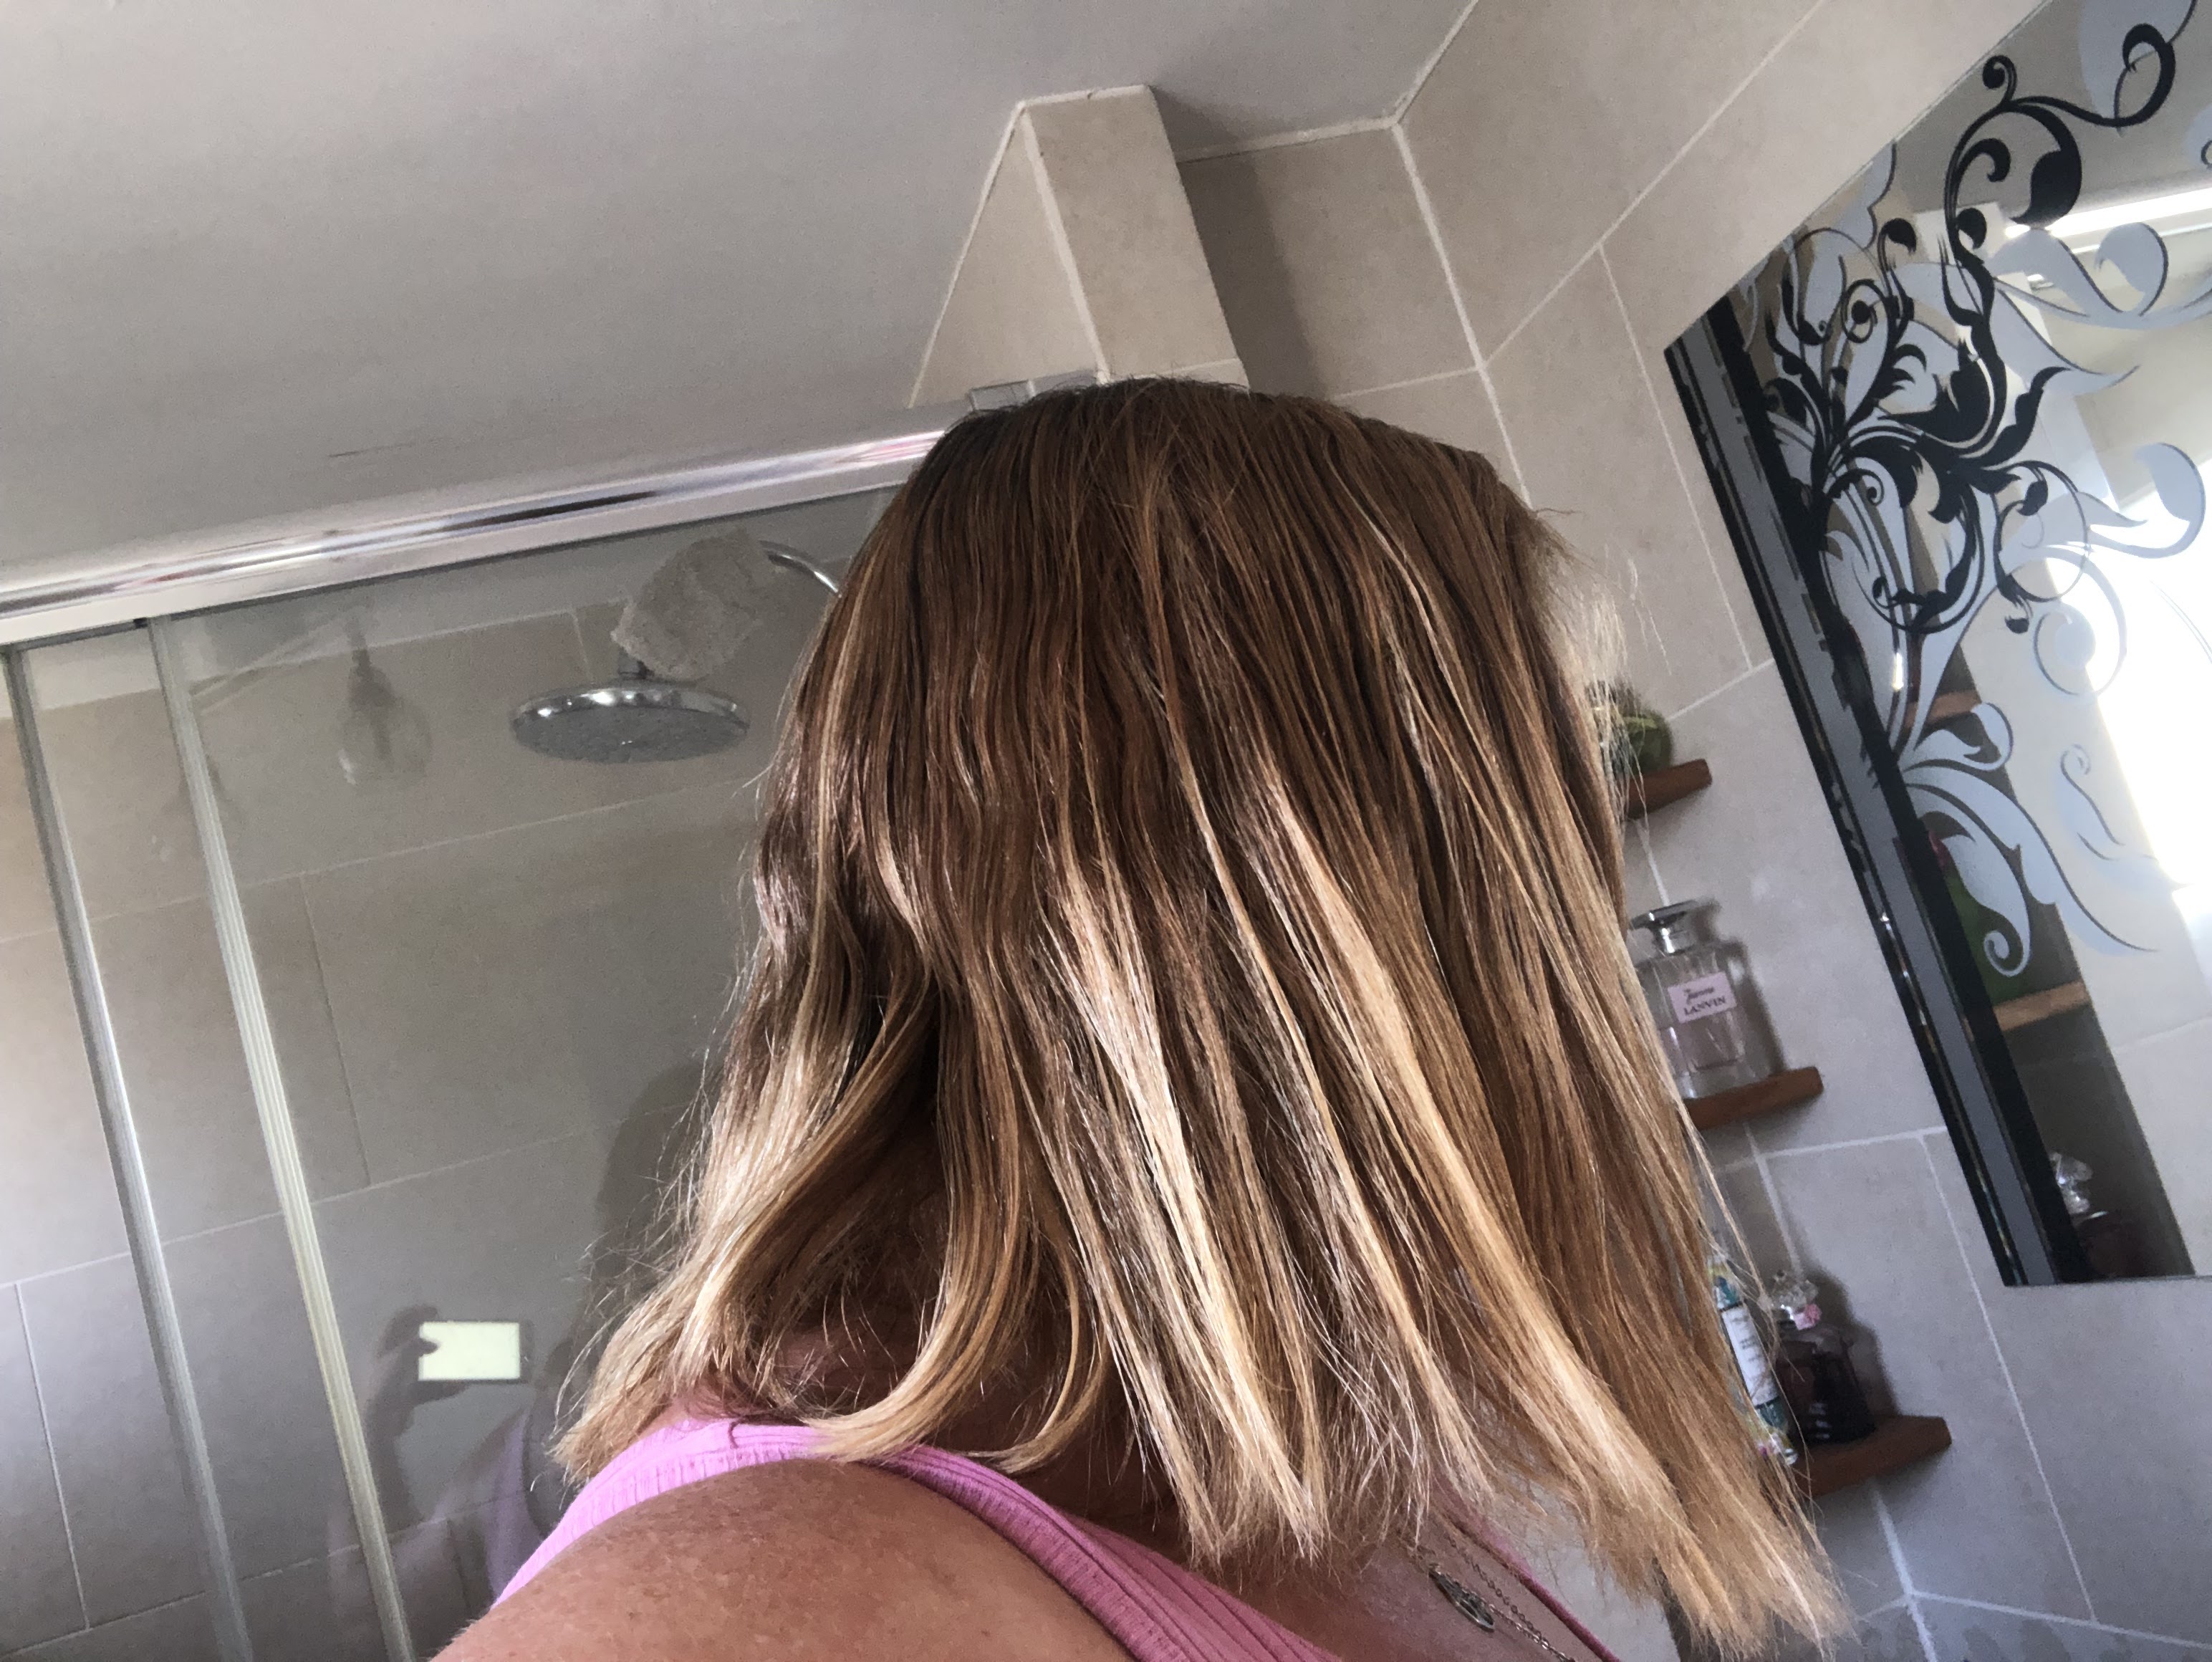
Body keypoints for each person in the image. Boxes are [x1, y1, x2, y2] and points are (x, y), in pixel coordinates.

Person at [440, 378, 1840, 1661]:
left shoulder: (1263, 1457)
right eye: (1538, 797)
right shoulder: (776, 1600)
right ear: (1333, 897)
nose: (1576, 904)